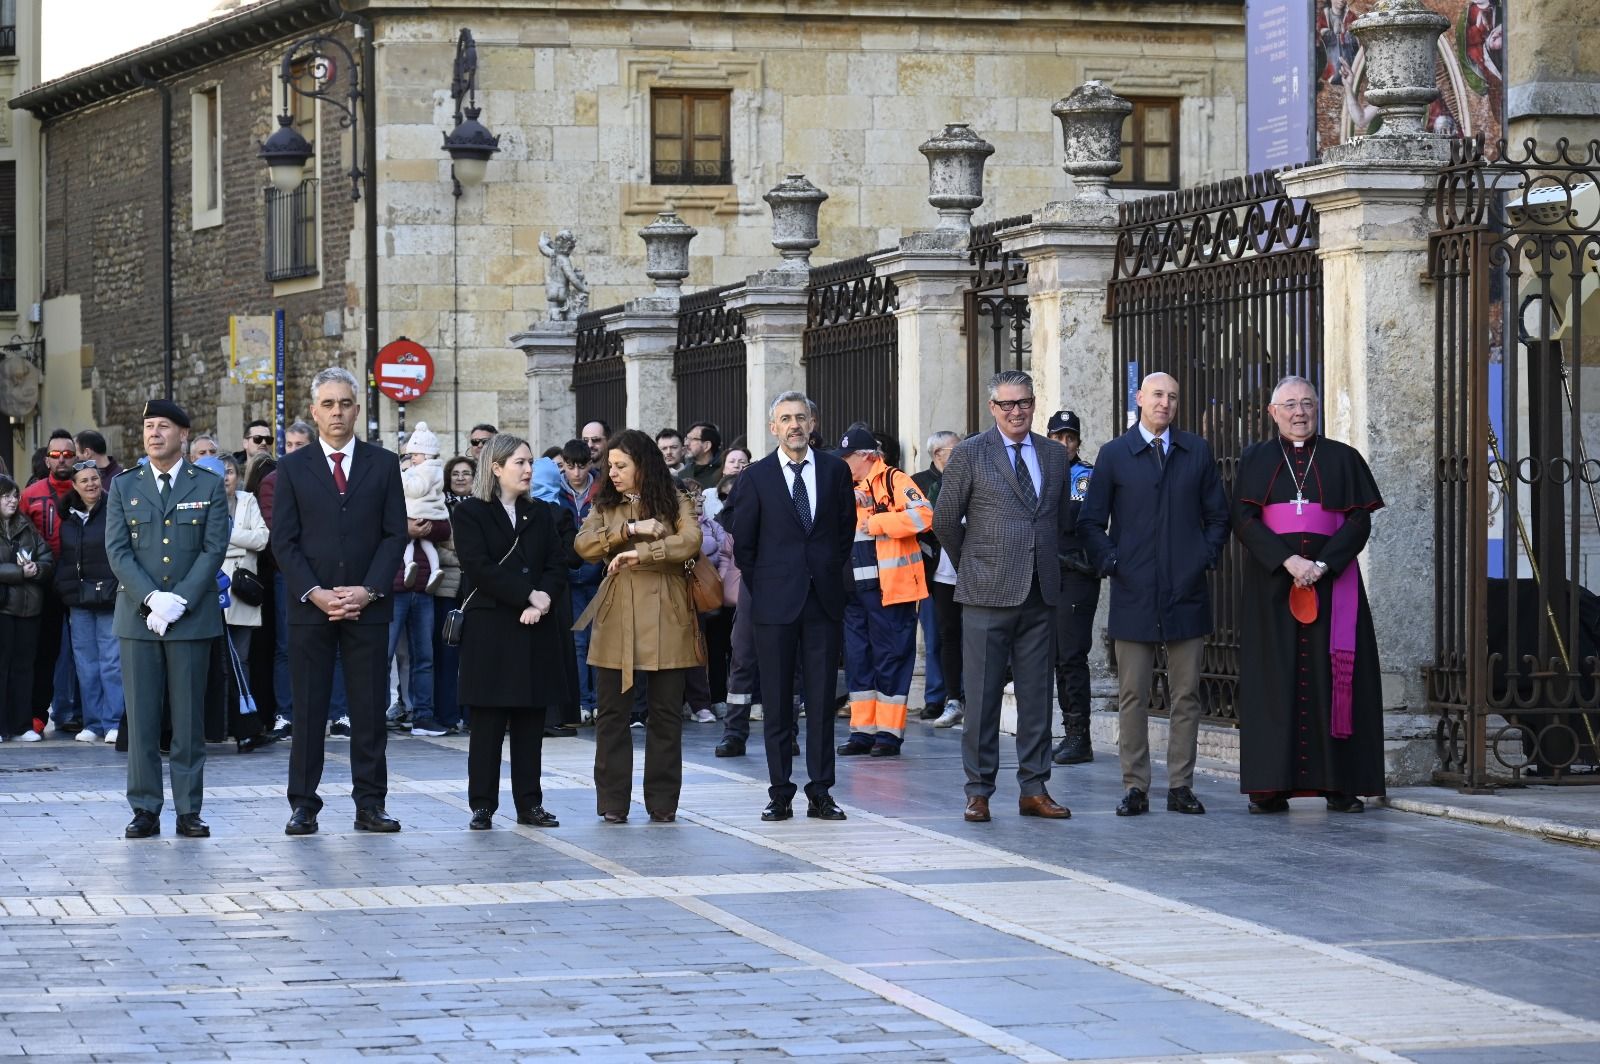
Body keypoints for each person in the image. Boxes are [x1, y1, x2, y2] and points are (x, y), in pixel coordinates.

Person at [1231, 376, 1386, 813]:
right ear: (1272, 412)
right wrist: (1288, 562)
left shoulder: (1344, 458)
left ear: (1317, 409)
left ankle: (1340, 783)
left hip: (1335, 586)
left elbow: (1359, 522)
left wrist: (1322, 565)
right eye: (1290, 405)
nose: (1300, 412)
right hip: (1273, 587)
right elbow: (1243, 520)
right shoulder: (1255, 459)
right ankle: (1269, 784)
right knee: (1273, 681)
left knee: (1336, 678)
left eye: (1307, 404)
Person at [1078, 371, 1229, 818]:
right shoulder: (1114, 455)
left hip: (1186, 592)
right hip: (1134, 592)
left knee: (1186, 695)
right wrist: (1113, 562)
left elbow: (1218, 517)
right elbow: (1090, 522)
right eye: (1158, 395)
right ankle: (1135, 787)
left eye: (1173, 397)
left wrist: (1200, 558)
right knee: (1133, 696)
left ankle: (1181, 785)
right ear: (1139, 397)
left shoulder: (1195, 451)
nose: (1165, 403)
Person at [271, 367, 408, 837]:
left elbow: (394, 535)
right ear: (313, 411)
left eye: (345, 403)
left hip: (368, 607)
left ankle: (371, 803)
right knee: (308, 711)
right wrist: (317, 592)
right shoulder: (290, 468)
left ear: (357, 409)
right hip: (312, 608)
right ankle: (303, 805)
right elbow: (283, 542)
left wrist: (368, 591)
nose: (337, 412)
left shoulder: (384, 464)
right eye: (328, 404)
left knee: (369, 710)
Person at [933, 370, 1071, 824]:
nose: (1017, 412)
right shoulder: (971, 452)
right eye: (1007, 405)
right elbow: (946, 520)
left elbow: (1058, 520)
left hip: (1039, 591)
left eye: (1024, 403)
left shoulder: (1053, 454)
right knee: (983, 696)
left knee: (1036, 696)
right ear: (992, 408)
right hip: (986, 592)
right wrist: (974, 562)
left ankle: (1034, 787)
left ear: (1034, 404)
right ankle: (978, 790)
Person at [105, 399, 229, 839]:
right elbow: (118, 551)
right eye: (148, 427)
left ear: (183, 434)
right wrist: (152, 599)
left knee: (189, 720)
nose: (153, 434)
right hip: (138, 619)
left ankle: (189, 809)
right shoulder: (124, 486)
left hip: (191, 618)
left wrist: (180, 600)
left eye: (163, 427)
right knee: (141, 720)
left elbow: (214, 548)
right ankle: (144, 808)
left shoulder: (208, 485)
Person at [729, 392, 855, 823]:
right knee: (779, 703)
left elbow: (843, 531)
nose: (794, 425)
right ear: (773, 428)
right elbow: (743, 545)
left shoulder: (836, 471)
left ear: (813, 422)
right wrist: (768, 586)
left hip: (822, 601)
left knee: (821, 701)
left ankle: (821, 791)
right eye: (785, 419)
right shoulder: (756, 477)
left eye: (801, 417)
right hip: (773, 605)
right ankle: (780, 792)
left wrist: (823, 574)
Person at [574, 429, 702, 823]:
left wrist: (642, 552)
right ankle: (613, 802)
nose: (612, 472)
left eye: (621, 465)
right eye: (609, 465)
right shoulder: (606, 503)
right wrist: (628, 530)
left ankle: (663, 802)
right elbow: (583, 545)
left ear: (642, 464)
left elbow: (691, 540)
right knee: (612, 714)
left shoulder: (675, 498)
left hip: (667, 611)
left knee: (665, 714)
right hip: (618, 615)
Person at [453, 434, 567, 830]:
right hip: (490, 629)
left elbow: (556, 563)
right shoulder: (471, 513)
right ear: (497, 467)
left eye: (531, 462)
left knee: (530, 722)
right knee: (487, 723)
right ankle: (482, 805)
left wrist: (545, 600)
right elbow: (479, 567)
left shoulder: (541, 513)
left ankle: (529, 803)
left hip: (535, 629)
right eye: (519, 462)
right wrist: (528, 596)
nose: (528, 470)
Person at [835, 425, 930, 758]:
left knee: (890, 658)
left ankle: (888, 734)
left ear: (865, 457)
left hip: (890, 589)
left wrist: (877, 523)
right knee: (859, 660)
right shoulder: (843, 486)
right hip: (852, 591)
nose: (842, 464)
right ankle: (863, 731)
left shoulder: (895, 480)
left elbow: (923, 515)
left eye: (847, 458)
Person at [1047, 410, 1100, 765]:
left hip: (1077, 573)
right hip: (1046, 576)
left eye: (1071, 438)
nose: (1065, 444)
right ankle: (1066, 729)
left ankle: (1079, 735)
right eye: (1058, 438)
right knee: (1052, 656)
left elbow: (1083, 524)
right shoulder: (1037, 476)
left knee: (1071, 654)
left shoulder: (1086, 477)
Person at [56, 462, 121, 744]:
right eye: (84, 481)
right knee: (85, 664)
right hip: (78, 599)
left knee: (111, 662)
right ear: (74, 485)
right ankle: (93, 723)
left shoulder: (114, 509)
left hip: (108, 595)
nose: (91, 484)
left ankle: (114, 722)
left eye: (95, 478)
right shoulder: (68, 516)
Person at [258, 420, 315, 739]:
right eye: (289, 445)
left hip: (324, 572)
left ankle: (335, 712)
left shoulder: (327, 478)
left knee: (327, 646)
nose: (293, 451)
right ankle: (286, 712)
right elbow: (276, 530)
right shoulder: (273, 481)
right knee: (286, 646)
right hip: (287, 573)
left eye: (300, 446)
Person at [215, 454, 274, 752]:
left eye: (230, 472)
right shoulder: (207, 503)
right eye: (220, 472)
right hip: (213, 591)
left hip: (242, 590)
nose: (225, 477)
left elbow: (262, 539)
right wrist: (239, 541)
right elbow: (203, 540)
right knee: (219, 665)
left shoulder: (247, 501)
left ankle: (245, 719)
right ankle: (221, 723)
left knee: (242, 660)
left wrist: (226, 536)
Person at [23, 428, 80, 736]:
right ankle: (38, 713)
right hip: (44, 580)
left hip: (79, 576)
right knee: (45, 649)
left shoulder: (86, 487)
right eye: (56, 455)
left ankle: (81, 713)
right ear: (47, 460)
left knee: (85, 650)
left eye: (68, 454)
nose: (62, 460)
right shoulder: (31, 495)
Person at [0, 475, 54, 742]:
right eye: (6, 496)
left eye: (14, 495)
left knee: (24, 668)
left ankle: (22, 725)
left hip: (29, 607)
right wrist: (20, 573)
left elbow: (47, 557)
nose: (12, 500)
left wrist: (38, 569)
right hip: (3, 607)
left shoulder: (26, 525)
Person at [554, 440, 602, 723]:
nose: (576, 473)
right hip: (569, 576)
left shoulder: (602, 490)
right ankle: (583, 702)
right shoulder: (555, 492)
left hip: (596, 573)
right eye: (570, 466)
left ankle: (597, 701)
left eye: (582, 466)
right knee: (578, 643)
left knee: (598, 640)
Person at [914, 430, 959, 720]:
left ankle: (959, 694)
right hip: (932, 574)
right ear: (937, 454)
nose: (962, 454)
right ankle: (935, 697)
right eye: (956, 450)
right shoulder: (919, 484)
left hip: (963, 570)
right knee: (935, 637)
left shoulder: (965, 477)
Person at [432, 455, 474, 735]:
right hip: (446, 588)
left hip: (474, 590)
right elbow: (435, 547)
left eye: (466, 473)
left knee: (473, 656)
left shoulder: (481, 506)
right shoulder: (438, 506)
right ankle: (447, 714)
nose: (460, 478)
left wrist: (461, 553)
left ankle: (471, 715)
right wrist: (464, 554)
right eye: (455, 473)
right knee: (446, 655)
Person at [699, 446, 751, 522]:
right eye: (731, 461)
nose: (736, 465)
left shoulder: (754, 494)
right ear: (723, 469)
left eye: (742, 462)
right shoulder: (708, 494)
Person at [679, 421, 723, 492]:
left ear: (707, 446)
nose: (686, 443)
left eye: (692, 439)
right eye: (687, 438)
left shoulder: (723, 473)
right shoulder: (682, 474)